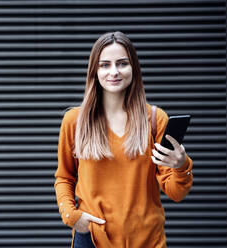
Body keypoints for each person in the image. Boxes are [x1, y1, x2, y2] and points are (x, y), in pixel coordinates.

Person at [54, 31, 193, 248]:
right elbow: (64, 177)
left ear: (133, 68)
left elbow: (176, 193)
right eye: (105, 65)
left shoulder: (155, 119)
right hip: (93, 239)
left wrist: (181, 165)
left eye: (122, 63)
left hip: (147, 240)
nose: (114, 72)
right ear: (94, 71)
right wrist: (72, 216)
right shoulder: (74, 121)